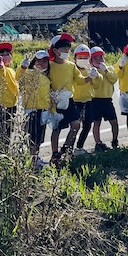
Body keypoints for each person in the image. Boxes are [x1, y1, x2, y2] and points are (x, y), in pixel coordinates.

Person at [48, 33, 96, 163]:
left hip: (69, 100)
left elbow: (80, 81)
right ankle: (55, 154)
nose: (66, 50)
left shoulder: (71, 65)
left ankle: (67, 149)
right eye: (63, 47)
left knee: (76, 124)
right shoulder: (49, 65)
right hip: (55, 101)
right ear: (55, 49)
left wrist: (90, 77)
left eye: (68, 47)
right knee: (56, 128)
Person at [17, 50, 54, 169]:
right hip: (31, 110)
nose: (42, 64)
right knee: (32, 137)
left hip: (43, 110)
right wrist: (23, 67)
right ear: (34, 62)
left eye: (44, 61)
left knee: (39, 137)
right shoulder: (29, 74)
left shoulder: (46, 78)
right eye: (39, 61)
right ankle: (32, 160)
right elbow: (18, 78)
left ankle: (36, 158)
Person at [72, 44, 101, 156]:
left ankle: (79, 147)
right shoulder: (73, 69)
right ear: (75, 58)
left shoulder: (90, 69)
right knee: (75, 126)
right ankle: (69, 148)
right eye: (80, 57)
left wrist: (96, 76)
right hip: (75, 101)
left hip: (88, 100)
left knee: (88, 124)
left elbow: (97, 85)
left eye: (85, 57)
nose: (83, 60)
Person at [89, 46, 119, 151]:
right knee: (96, 122)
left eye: (100, 57)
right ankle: (98, 143)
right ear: (91, 60)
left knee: (114, 121)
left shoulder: (108, 68)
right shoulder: (91, 71)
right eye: (95, 58)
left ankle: (115, 140)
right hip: (95, 100)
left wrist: (105, 70)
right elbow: (94, 85)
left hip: (107, 100)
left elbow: (114, 79)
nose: (98, 60)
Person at [0, 42, 20, 144]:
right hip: (2, 104)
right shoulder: (0, 69)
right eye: (1, 54)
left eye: (7, 53)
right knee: (2, 131)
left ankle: (4, 152)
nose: (5, 56)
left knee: (8, 131)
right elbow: (1, 72)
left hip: (12, 104)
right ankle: (0, 152)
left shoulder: (11, 70)